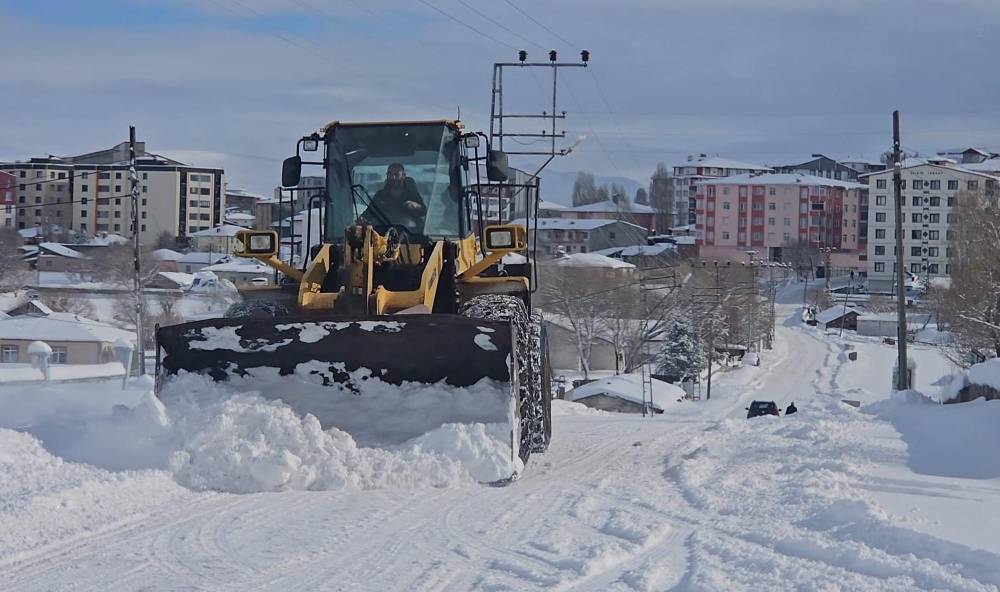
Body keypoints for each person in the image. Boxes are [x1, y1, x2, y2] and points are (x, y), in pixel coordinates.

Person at [367, 163, 426, 229]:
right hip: (382, 236)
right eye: (390, 174)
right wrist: (362, 220)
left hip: (410, 235)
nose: (393, 177)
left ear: (404, 176)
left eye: (396, 174)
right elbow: (367, 214)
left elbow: (424, 212)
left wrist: (416, 206)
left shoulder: (412, 194)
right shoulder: (380, 196)